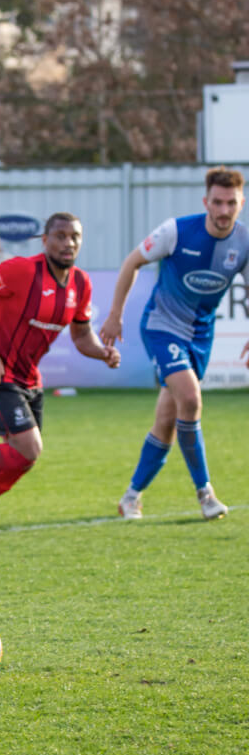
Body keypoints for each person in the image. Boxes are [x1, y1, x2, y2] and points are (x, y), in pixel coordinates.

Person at [0, 212, 121, 534]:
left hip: (29, 379)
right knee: (29, 447)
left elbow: (81, 337)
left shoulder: (80, 283)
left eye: (75, 236)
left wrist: (102, 352)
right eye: (61, 235)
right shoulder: (21, 270)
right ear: (46, 240)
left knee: (23, 459)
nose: (69, 242)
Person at [100, 165, 249, 521]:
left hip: (200, 336)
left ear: (241, 203)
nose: (224, 210)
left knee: (168, 420)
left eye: (232, 203)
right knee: (191, 398)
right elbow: (131, 263)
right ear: (206, 201)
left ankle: (131, 496)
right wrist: (115, 315)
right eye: (218, 202)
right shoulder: (176, 231)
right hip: (162, 326)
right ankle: (206, 494)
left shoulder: (244, 241)